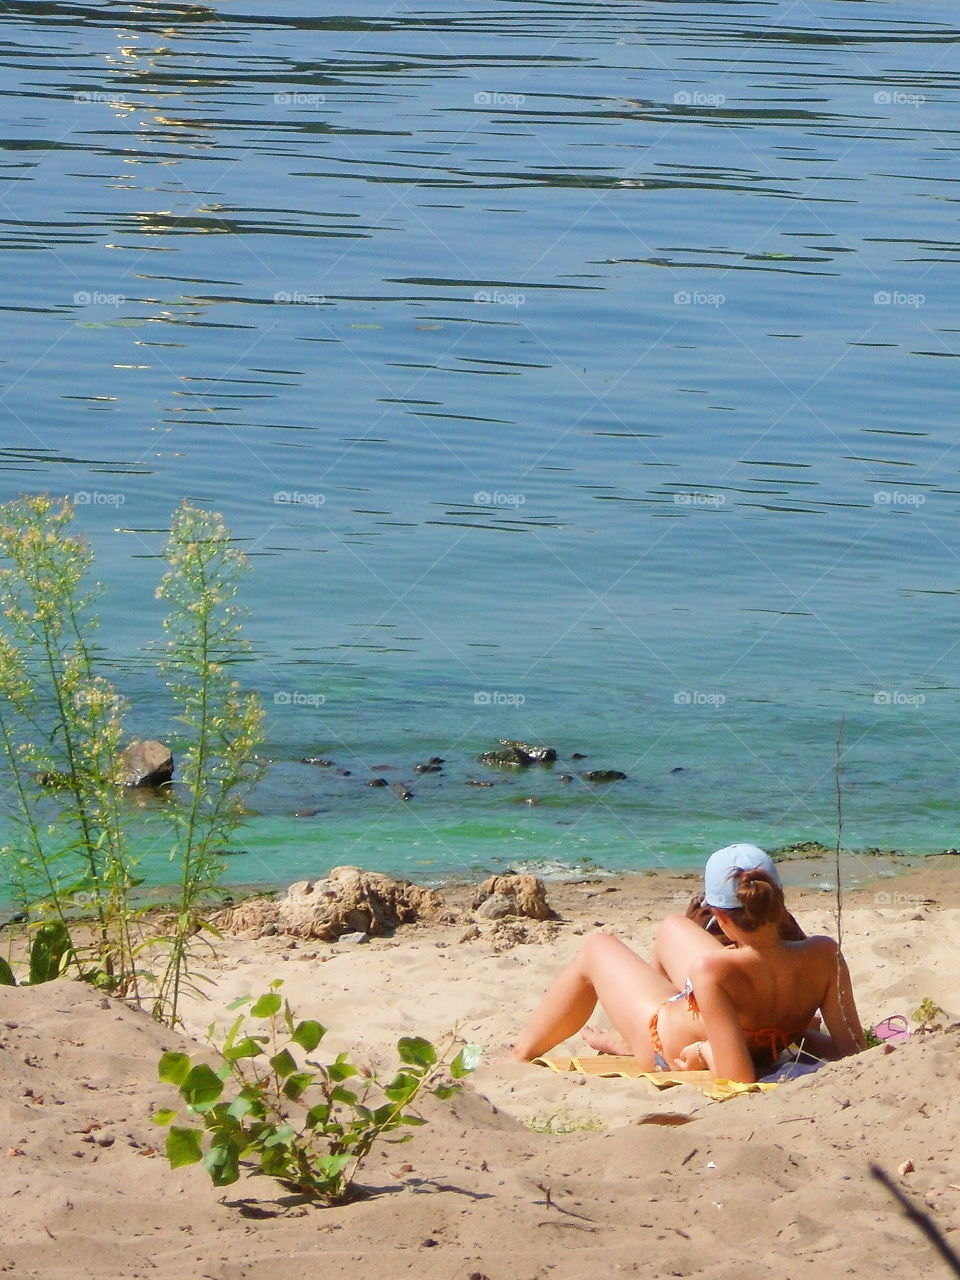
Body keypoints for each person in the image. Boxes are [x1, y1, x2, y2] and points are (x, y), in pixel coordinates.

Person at [510, 843, 865, 1083]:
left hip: (664, 1046)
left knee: (597, 948)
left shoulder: (714, 970)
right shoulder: (824, 954)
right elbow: (852, 1052)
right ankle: (625, 1040)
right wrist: (793, 1031)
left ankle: (519, 1056)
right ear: (779, 903)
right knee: (672, 928)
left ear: (718, 918)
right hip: (765, 1037)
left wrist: (703, 1050)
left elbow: (737, 1080)